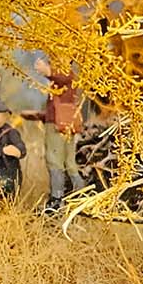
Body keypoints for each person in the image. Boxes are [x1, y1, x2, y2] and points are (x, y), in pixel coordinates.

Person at [21, 56, 89, 213]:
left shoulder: (64, 77)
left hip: (57, 127)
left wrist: (48, 71)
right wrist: (39, 115)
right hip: (64, 124)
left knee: (54, 162)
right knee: (68, 162)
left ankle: (57, 198)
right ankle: (80, 195)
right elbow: (58, 109)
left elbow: (63, 77)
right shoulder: (63, 83)